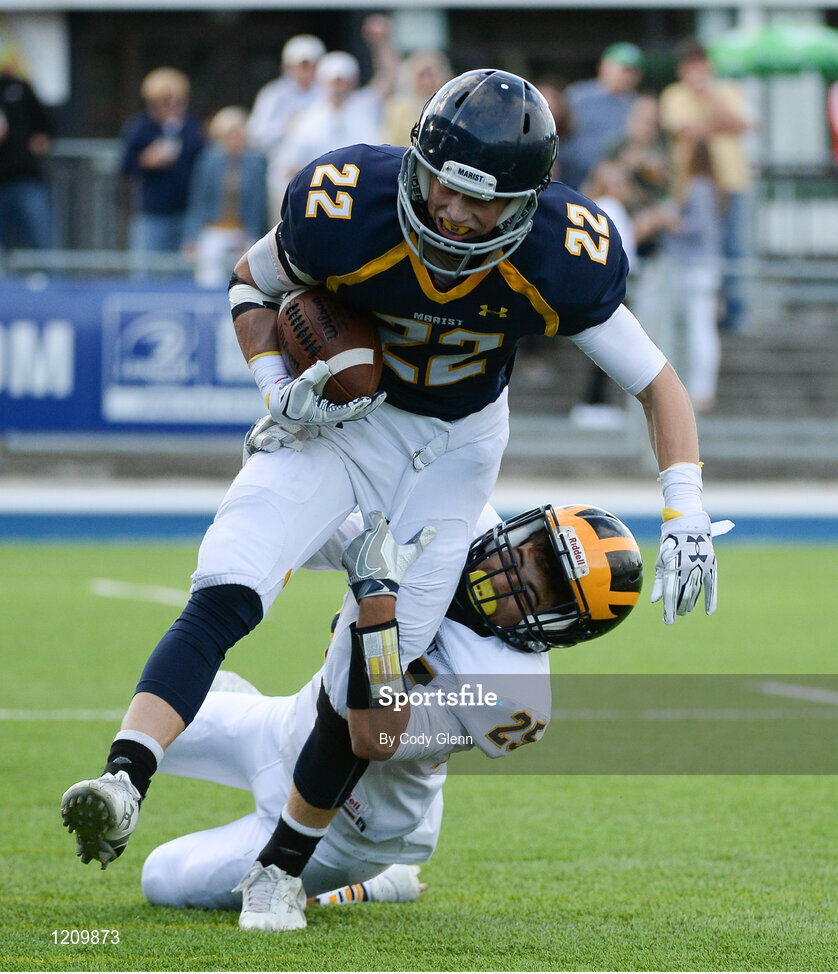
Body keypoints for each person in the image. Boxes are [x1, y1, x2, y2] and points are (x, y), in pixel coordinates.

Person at [61, 69, 724, 929]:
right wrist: (274, 384)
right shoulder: (347, 201)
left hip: (455, 447)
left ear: (531, 202)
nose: (454, 213)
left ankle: (286, 871)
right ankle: (123, 778)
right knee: (233, 571)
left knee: (353, 682)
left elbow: (654, 378)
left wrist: (686, 507)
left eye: (483, 204)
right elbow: (249, 285)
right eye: (446, 187)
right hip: (346, 418)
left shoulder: (517, 700)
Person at [139, 500, 642, 917]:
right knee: (156, 723)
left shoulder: (511, 694)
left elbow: (373, 736)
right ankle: (235, 704)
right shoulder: (452, 517)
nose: (507, 575)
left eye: (534, 592)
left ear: (558, 630)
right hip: (288, 726)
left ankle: (364, 883)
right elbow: (316, 524)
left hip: (349, 827)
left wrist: (378, 603)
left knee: (161, 877)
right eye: (525, 551)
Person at [659, 40, 753, 333]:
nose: (698, 72)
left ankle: (734, 316)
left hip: (731, 181)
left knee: (734, 249)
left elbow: (741, 124)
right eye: (692, 66)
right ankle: (696, 315)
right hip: (690, 185)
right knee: (693, 250)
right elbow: (683, 129)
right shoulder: (673, 95)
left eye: (703, 65)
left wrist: (709, 97)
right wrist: (719, 124)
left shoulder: (726, 91)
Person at [270, 16, 398, 211]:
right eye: (334, 80)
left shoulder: (366, 105)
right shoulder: (305, 117)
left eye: (343, 79)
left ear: (353, 80)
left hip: (365, 197)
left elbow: (389, 77)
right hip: (321, 202)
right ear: (322, 80)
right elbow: (286, 167)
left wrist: (381, 44)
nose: (339, 85)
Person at [661, 140, 723, 413]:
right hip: (702, 266)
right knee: (700, 328)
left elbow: (698, 227)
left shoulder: (698, 187)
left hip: (697, 267)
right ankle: (699, 387)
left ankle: (701, 389)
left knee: (700, 328)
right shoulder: (710, 187)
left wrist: (671, 222)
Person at [120, 67, 205, 259]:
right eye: (166, 100)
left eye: (178, 100)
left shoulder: (192, 127)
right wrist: (146, 159)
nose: (172, 106)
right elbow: (125, 165)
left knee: (183, 274)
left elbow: (201, 162)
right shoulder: (141, 127)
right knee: (146, 271)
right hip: (152, 211)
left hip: (187, 211)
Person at [183, 106, 268, 288]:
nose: (234, 139)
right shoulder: (208, 161)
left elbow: (257, 205)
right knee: (208, 277)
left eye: (238, 133)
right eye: (229, 133)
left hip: (242, 230)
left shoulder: (255, 164)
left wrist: (252, 235)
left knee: (246, 281)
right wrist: (192, 237)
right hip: (213, 229)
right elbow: (199, 200)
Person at [246, 33, 326, 220]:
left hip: (322, 182)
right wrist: (287, 125)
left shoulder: (326, 93)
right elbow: (256, 136)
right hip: (283, 182)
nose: (306, 71)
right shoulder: (273, 94)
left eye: (311, 65)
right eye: (301, 65)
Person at [559, 42, 645, 192]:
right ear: (604, 67)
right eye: (624, 69)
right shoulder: (577, 96)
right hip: (571, 176)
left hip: (616, 183)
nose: (628, 76)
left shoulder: (638, 105)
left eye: (633, 71)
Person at [0, 46, 52, 250]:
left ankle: (49, 280)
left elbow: (46, 124)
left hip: (25, 178)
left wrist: (41, 140)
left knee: (42, 242)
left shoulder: (20, 88)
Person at [381, 49, 453, 147]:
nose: (427, 81)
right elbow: (389, 143)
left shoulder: (450, 107)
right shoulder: (397, 108)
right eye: (422, 75)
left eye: (431, 75)